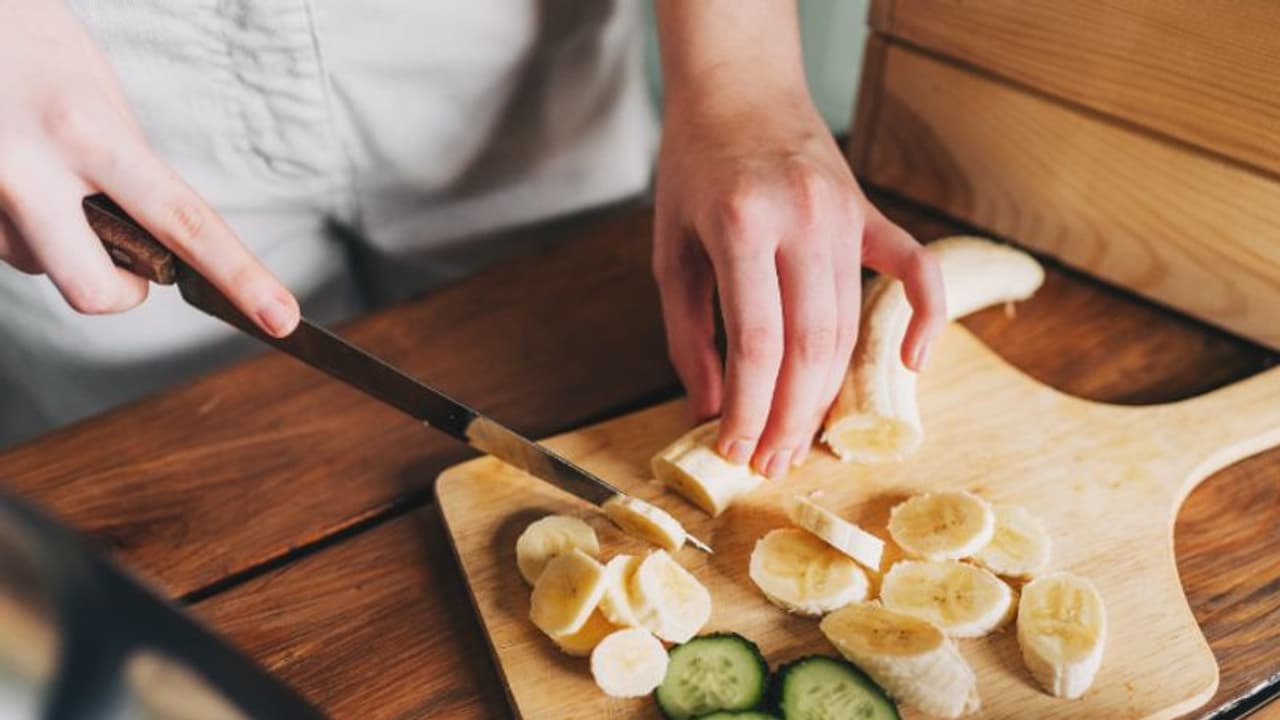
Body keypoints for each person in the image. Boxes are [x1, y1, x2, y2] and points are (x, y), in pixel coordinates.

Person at [0, 0, 944, 476]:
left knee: (594, 366)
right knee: (166, 466)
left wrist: (745, 78)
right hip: (78, 72)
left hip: (501, 51)